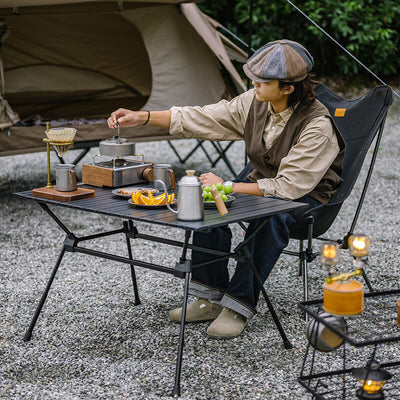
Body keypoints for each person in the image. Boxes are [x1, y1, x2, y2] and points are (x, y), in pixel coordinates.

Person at [107, 39, 345, 339]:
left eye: (262, 80)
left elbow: (288, 188)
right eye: (253, 77)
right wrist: (142, 117)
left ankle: (238, 304)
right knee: (205, 203)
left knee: (271, 218)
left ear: (288, 88)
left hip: (307, 197)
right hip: (261, 185)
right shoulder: (255, 101)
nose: (253, 83)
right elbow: (203, 116)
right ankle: (209, 296)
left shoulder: (317, 126)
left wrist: (229, 185)